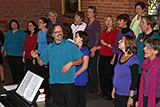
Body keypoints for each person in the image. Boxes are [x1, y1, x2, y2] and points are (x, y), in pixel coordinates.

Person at [31, 23, 83, 107]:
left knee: (70, 104)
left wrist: (71, 63)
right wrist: (36, 56)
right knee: (56, 104)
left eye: (61, 31)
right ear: (52, 34)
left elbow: (81, 60)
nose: (59, 33)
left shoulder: (70, 45)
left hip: (68, 81)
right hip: (54, 81)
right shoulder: (49, 47)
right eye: (57, 32)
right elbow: (41, 63)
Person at [90, 15, 118, 100]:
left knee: (107, 75)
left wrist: (105, 44)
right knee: (101, 75)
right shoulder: (104, 32)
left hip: (110, 56)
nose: (108, 22)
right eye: (106, 20)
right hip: (102, 55)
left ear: (113, 22)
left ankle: (110, 93)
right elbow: (101, 45)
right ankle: (104, 92)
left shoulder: (115, 32)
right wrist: (95, 48)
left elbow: (114, 46)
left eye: (110, 20)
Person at [112, 35, 139, 107]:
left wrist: (131, 97)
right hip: (118, 92)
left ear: (128, 44)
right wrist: (114, 89)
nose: (119, 41)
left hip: (127, 94)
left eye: (122, 40)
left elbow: (134, 80)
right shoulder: (120, 56)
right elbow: (117, 74)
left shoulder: (133, 60)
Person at [136, 15, 160, 95]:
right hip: (137, 67)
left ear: (149, 25)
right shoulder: (140, 35)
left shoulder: (155, 38)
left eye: (143, 22)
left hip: (147, 69)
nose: (140, 24)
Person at [138, 38, 160, 107]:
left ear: (156, 51)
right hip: (145, 96)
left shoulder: (158, 64)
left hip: (155, 98)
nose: (144, 49)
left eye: (148, 48)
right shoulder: (146, 63)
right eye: (145, 47)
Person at [3, 19, 26, 84]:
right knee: (12, 69)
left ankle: (22, 82)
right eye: (12, 24)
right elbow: (5, 42)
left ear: (17, 25)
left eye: (15, 24)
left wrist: (24, 53)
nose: (14, 25)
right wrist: (5, 50)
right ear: (10, 25)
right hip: (10, 54)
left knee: (20, 69)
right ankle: (15, 81)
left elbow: (25, 43)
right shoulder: (8, 32)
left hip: (19, 54)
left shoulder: (21, 33)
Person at [85, 6, 101, 93]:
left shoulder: (96, 23)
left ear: (94, 13)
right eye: (88, 12)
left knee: (93, 68)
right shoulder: (88, 23)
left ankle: (94, 86)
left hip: (92, 48)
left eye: (90, 12)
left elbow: (97, 37)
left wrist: (94, 48)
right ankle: (89, 84)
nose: (88, 13)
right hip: (87, 47)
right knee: (87, 67)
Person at [36, 17, 51, 100]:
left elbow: (49, 46)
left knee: (45, 76)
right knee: (40, 76)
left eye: (41, 22)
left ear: (45, 24)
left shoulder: (47, 33)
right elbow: (38, 45)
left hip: (45, 55)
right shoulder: (39, 33)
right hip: (39, 55)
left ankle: (48, 95)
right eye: (38, 22)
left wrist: (47, 59)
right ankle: (41, 93)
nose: (39, 24)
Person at [74, 31, 89, 107]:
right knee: (74, 98)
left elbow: (85, 66)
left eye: (76, 36)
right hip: (74, 76)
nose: (74, 38)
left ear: (82, 39)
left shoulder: (85, 50)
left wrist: (76, 74)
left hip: (80, 76)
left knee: (80, 97)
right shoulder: (75, 48)